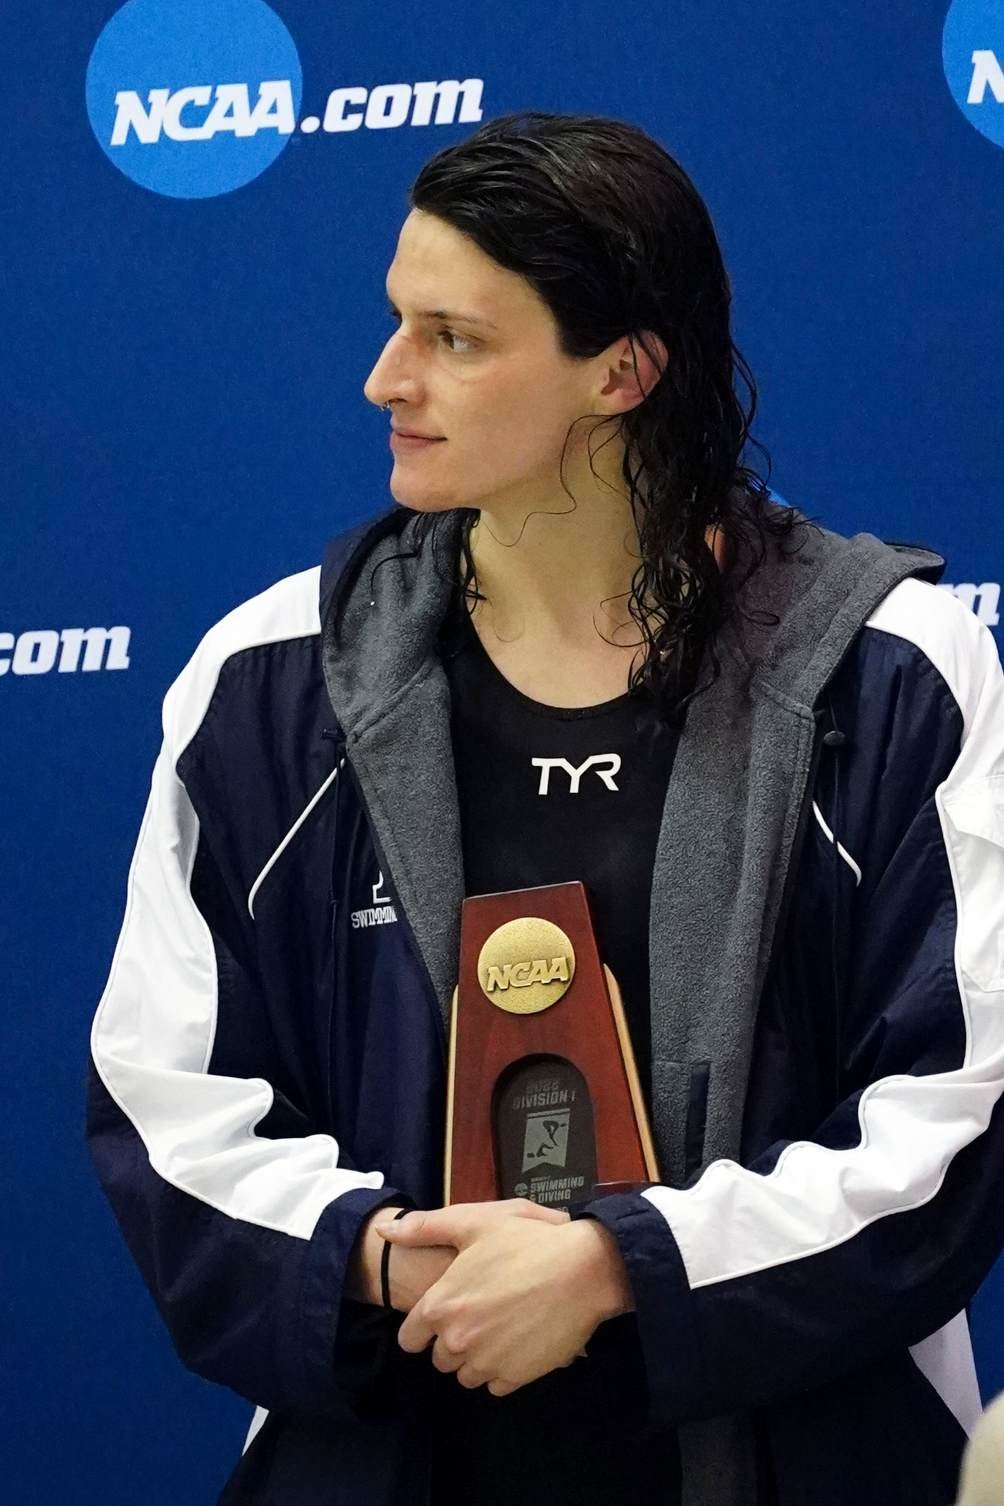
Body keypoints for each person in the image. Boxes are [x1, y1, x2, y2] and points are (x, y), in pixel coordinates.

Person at [86, 112, 1004, 1506]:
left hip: (800, 1449)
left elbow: (958, 1113)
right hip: (399, 1441)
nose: (385, 375)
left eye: (455, 337)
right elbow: (165, 1103)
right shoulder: (270, 682)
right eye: (400, 322)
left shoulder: (895, 674)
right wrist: (382, 1255)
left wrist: (613, 1269)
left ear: (621, 370)